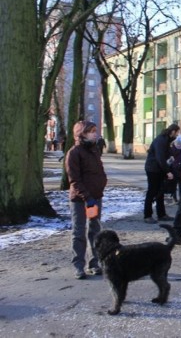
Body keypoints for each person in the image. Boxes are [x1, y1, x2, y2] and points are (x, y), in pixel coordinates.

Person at [65, 120, 107, 279]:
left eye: (95, 130)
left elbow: (98, 172)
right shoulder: (74, 153)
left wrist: (100, 188)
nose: (95, 133)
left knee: (95, 231)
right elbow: (74, 180)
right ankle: (78, 266)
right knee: (79, 232)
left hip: (95, 198)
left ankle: (95, 263)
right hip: (80, 200)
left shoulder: (94, 150)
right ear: (81, 133)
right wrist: (87, 197)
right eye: (91, 131)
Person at [143, 123, 180, 224]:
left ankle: (161, 214)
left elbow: (165, 155)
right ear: (173, 131)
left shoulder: (166, 139)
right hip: (153, 169)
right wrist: (167, 171)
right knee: (152, 191)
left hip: (158, 169)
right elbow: (160, 158)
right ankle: (147, 215)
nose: (177, 135)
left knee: (160, 192)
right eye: (177, 133)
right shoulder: (161, 140)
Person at [166, 135, 181, 204]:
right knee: (174, 185)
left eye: (180, 143)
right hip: (174, 169)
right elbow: (169, 160)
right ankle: (175, 198)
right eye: (178, 143)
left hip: (180, 169)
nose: (179, 145)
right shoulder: (172, 149)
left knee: (180, 185)